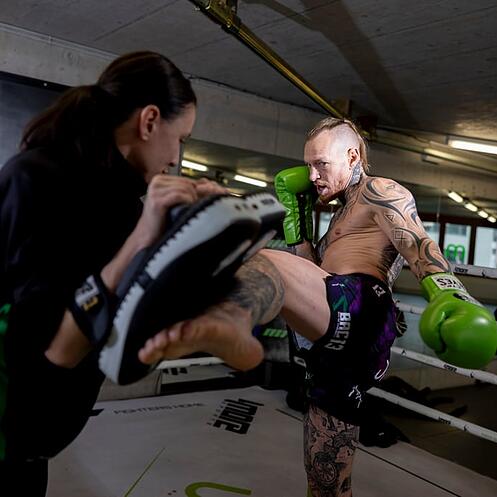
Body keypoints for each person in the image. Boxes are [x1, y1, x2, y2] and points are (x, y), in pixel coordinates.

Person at [140, 117, 497, 496]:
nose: (312, 176)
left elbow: (417, 243)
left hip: (362, 307)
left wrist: (447, 292)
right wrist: (299, 228)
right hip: (331, 328)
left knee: (263, 258)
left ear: (352, 156)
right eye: (308, 165)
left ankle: (209, 316)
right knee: (324, 467)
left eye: (321, 164)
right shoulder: (340, 213)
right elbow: (312, 274)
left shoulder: (380, 190)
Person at [0, 50, 258, 496]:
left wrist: (199, 239)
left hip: (39, 440)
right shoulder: (37, 178)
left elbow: (119, 336)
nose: (176, 157)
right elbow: (48, 349)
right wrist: (142, 240)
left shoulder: (124, 205)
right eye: (181, 139)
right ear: (150, 121)